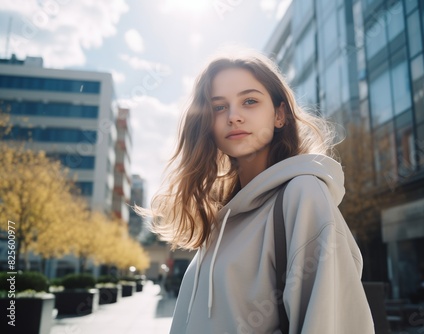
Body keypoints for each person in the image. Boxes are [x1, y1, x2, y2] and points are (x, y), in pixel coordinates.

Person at [139, 49, 374, 333]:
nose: (234, 116)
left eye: (249, 101)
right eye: (219, 107)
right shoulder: (222, 218)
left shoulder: (302, 194)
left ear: (279, 114)